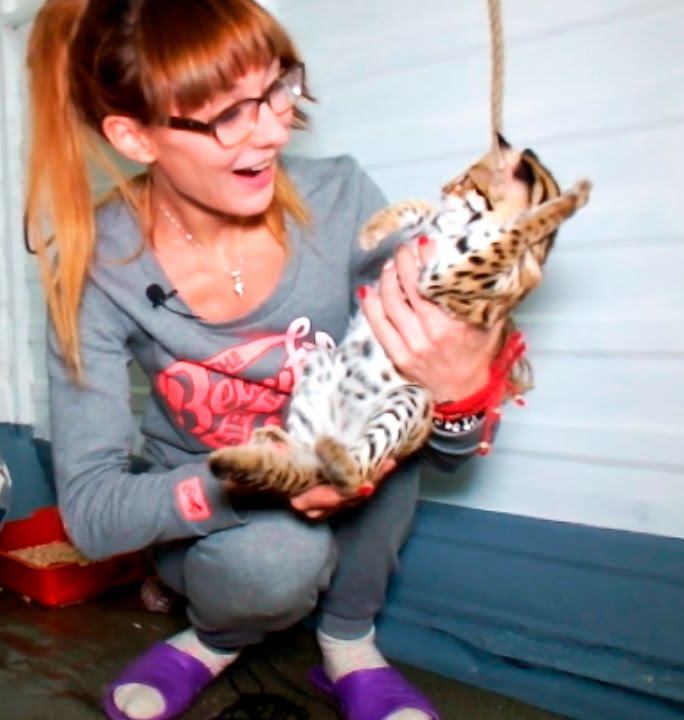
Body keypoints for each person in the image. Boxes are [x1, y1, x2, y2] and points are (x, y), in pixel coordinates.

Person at [25, 1, 505, 718]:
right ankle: (214, 637)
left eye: (277, 88)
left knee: (387, 429)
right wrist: (257, 482)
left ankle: (348, 644)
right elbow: (93, 516)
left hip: (362, 502)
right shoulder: (97, 263)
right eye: (228, 114)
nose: (277, 128)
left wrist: (462, 394)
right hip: (224, 527)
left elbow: (445, 456)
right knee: (276, 557)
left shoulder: (342, 199)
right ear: (135, 136)